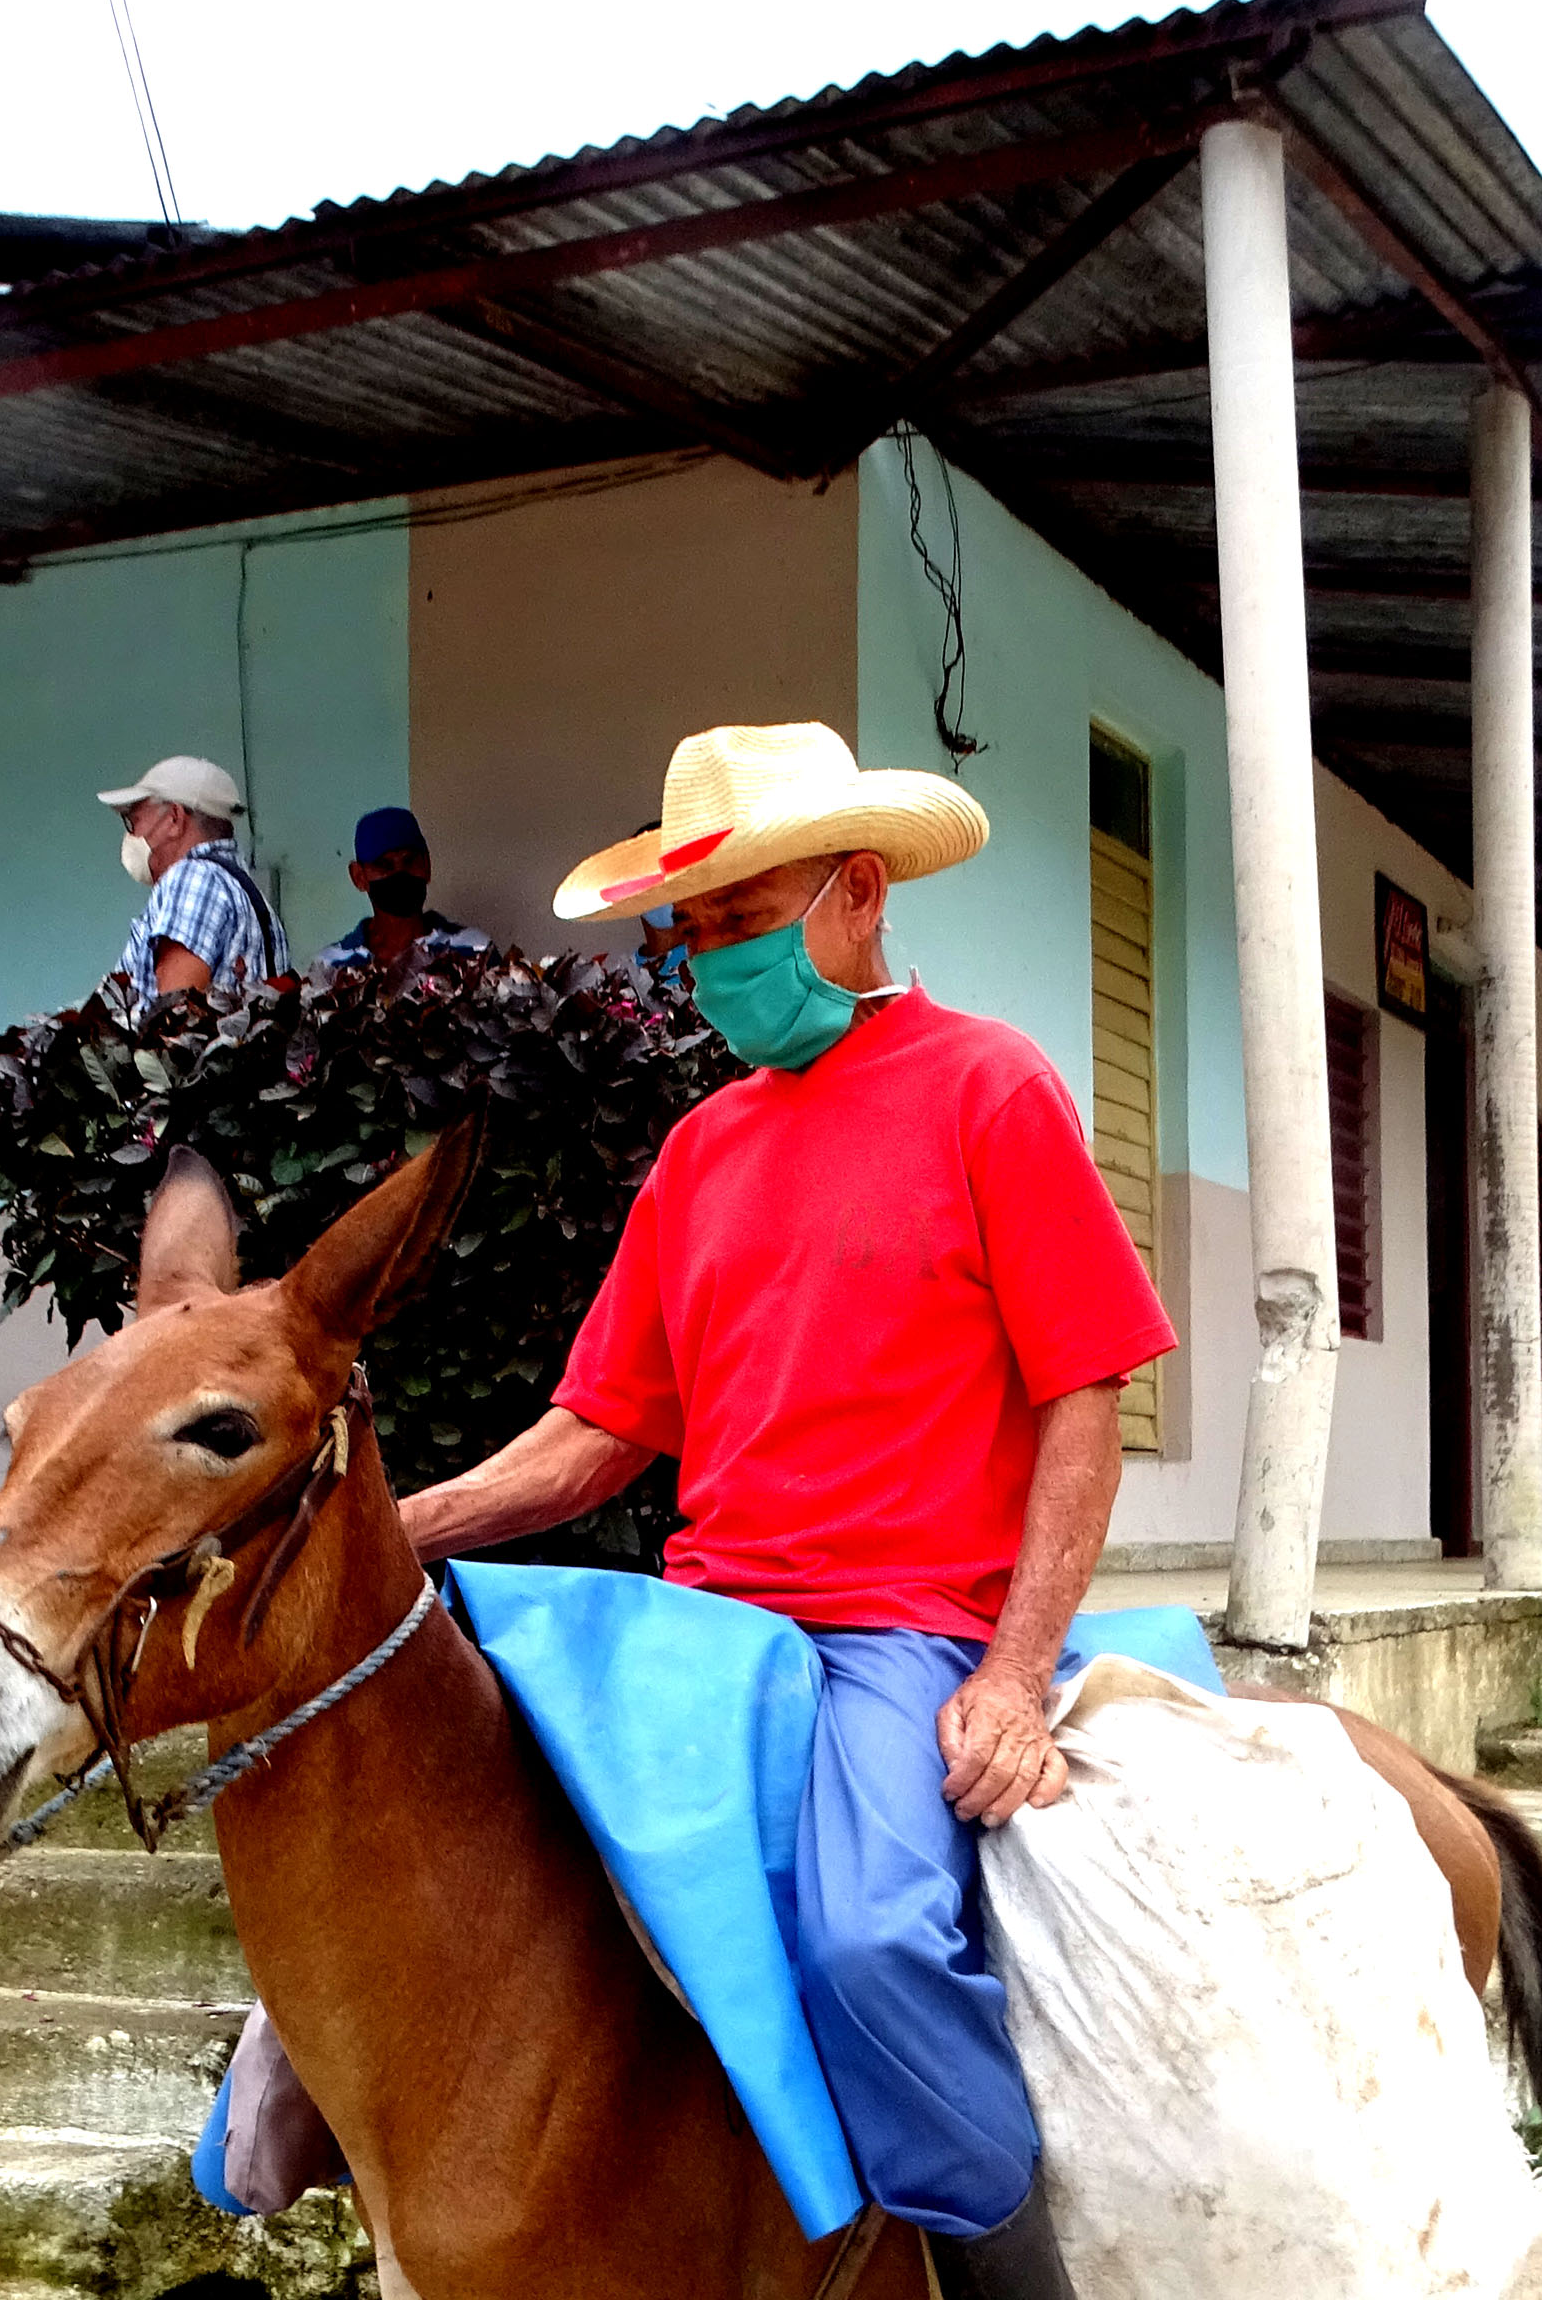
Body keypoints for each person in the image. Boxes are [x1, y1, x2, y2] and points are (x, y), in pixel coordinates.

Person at [400, 721, 1150, 2298]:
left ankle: (1005, 2267)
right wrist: (389, 1531)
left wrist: (1014, 1677)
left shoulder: (990, 1088)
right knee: (428, 1812)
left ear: (859, 894)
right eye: (695, 935)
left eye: (743, 924)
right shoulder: (699, 1150)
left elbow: (1088, 1395)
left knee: (872, 1938)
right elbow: (596, 1434)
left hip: (901, 1628)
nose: (710, 967)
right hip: (706, 1617)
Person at [99, 755, 280, 997]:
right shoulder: (246, 892)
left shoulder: (194, 878)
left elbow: (174, 1012)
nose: (131, 836)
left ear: (174, 818)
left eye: (134, 822)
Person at [314, 805, 490, 976]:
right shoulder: (330, 966)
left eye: (409, 861)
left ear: (427, 866)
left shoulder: (476, 950)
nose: (400, 874)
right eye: (384, 865)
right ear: (359, 877)